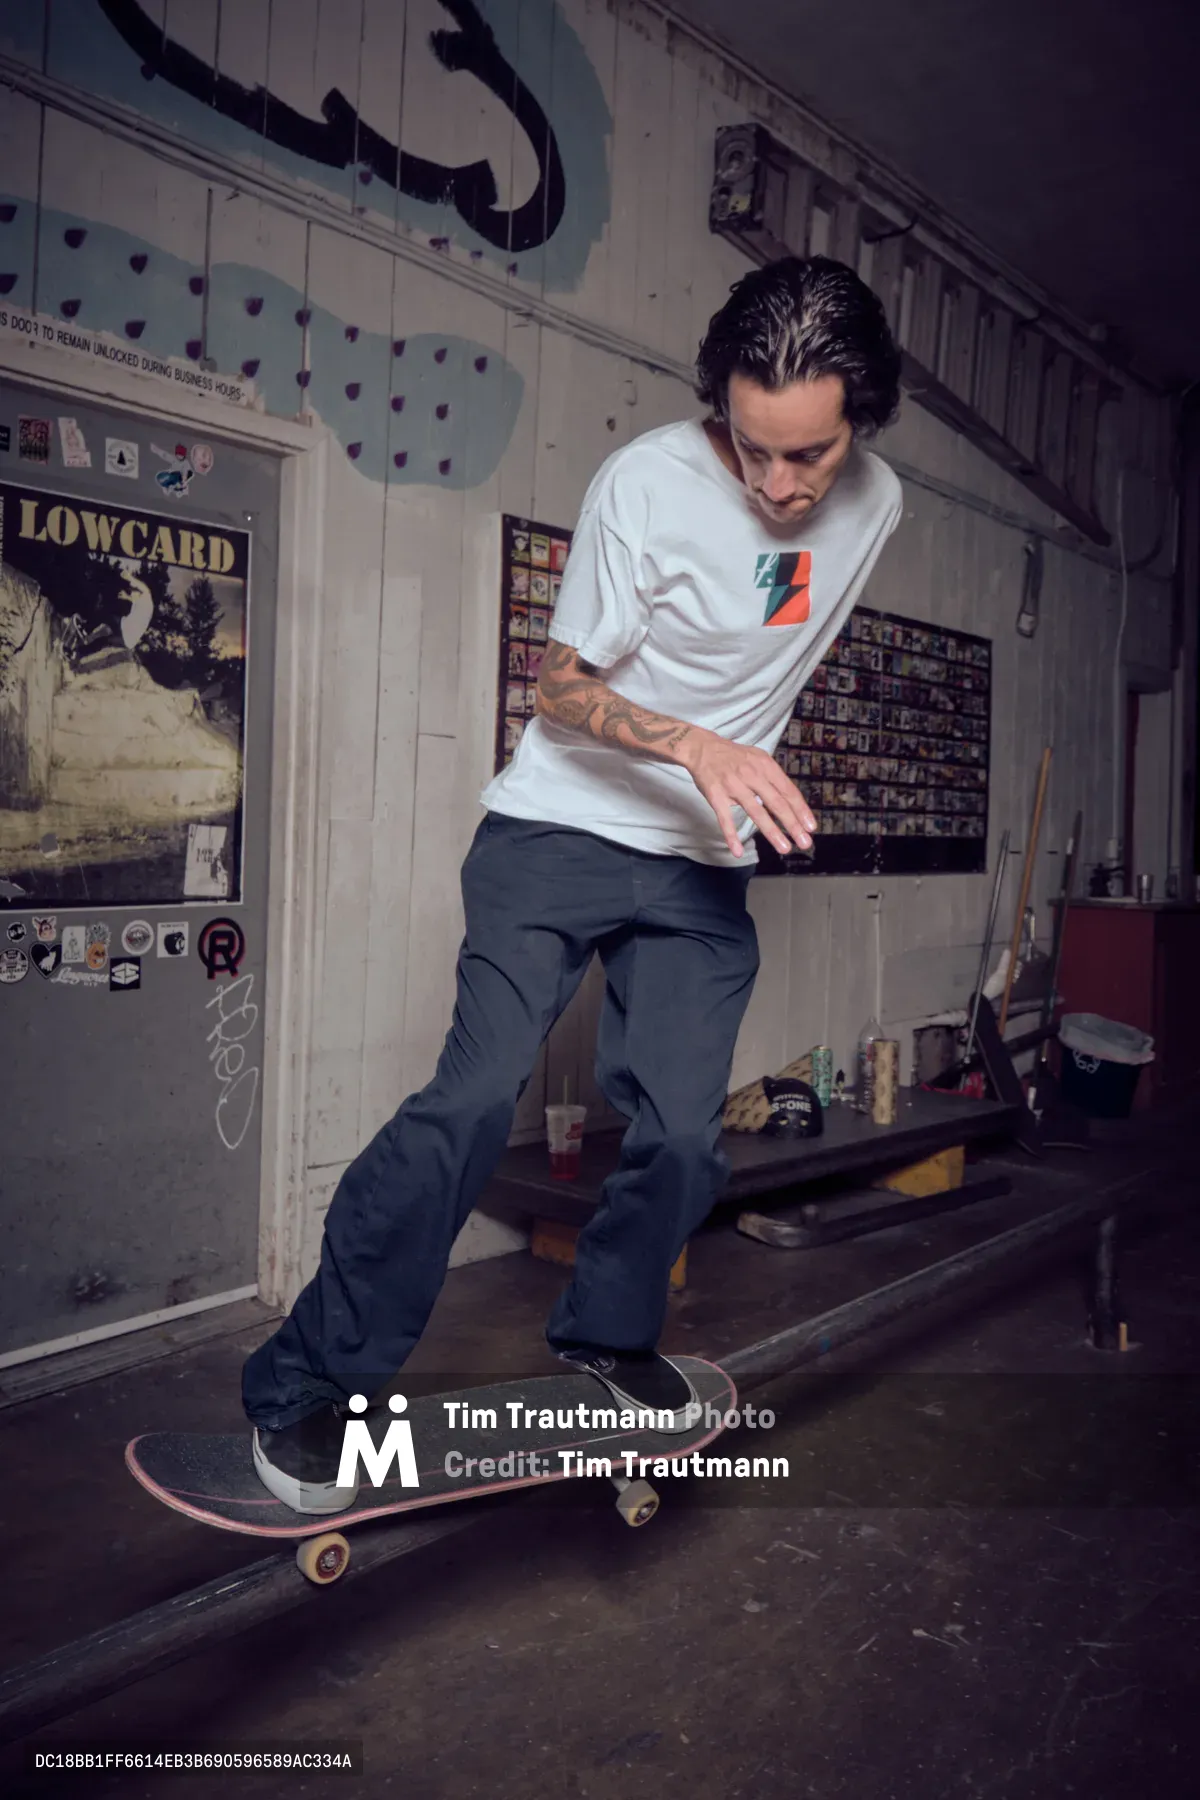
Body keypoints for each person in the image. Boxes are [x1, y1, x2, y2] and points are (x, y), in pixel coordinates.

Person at [245, 254, 904, 1512]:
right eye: (751, 447)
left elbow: (774, 624)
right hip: (559, 828)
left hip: (700, 862)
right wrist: (701, 744)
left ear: (861, 424)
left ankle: (607, 1337)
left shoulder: (880, 504)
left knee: (683, 1133)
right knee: (472, 1101)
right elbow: (557, 687)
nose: (776, 486)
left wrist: (739, 763)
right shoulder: (643, 485)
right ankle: (307, 1382)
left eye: (808, 456)